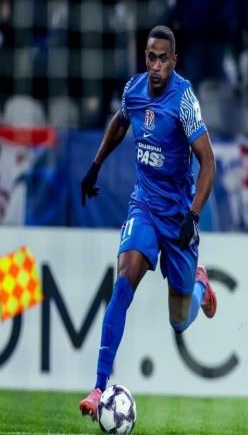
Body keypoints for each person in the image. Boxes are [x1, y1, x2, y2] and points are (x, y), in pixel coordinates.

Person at [79, 25, 217, 420]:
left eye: (163, 59)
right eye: (151, 57)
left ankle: (200, 286)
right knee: (123, 282)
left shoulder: (184, 100)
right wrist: (95, 165)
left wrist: (193, 215)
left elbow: (208, 161)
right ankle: (98, 387)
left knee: (178, 320)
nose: (156, 66)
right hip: (144, 205)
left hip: (178, 216)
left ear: (174, 61)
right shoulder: (134, 90)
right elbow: (120, 122)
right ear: (145, 57)